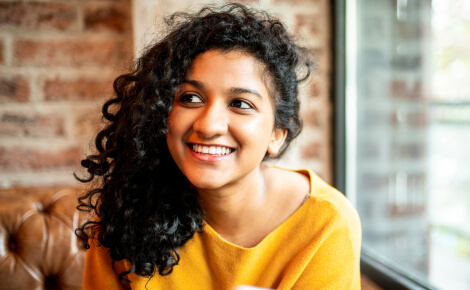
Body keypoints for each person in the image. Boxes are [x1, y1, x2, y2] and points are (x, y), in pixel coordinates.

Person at [76, 3, 361, 289]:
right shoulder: (126, 208)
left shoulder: (327, 226)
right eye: (190, 98)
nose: (208, 125)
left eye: (240, 104)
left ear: (276, 134)